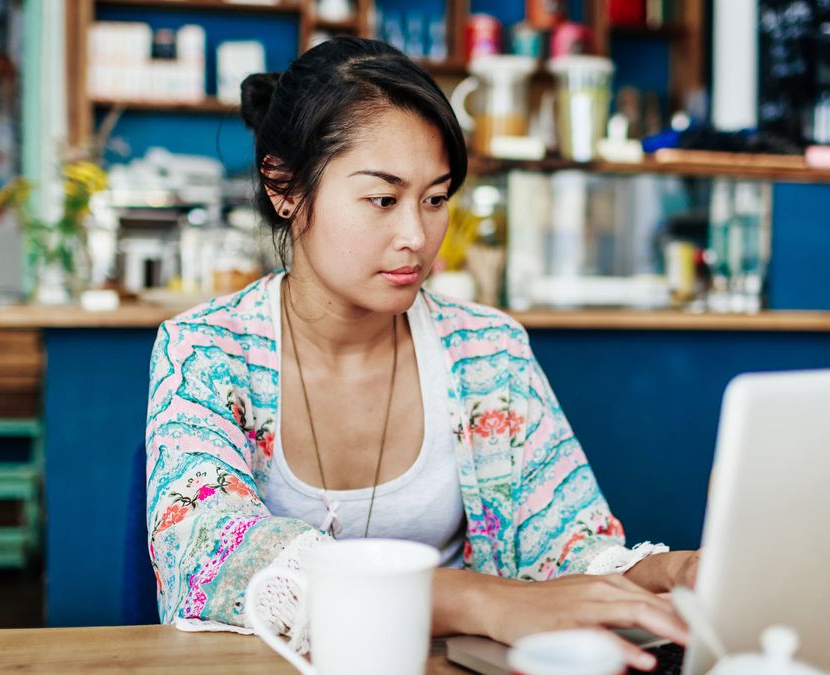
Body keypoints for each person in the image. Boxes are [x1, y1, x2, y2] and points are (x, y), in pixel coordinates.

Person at [145, 36, 698, 671]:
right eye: (383, 200)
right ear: (284, 186)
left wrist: (672, 569)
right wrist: (480, 601)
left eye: (435, 199)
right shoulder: (205, 350)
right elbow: (210, 561)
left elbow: (563, 549)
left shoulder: (488, 349)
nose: (417, 236)